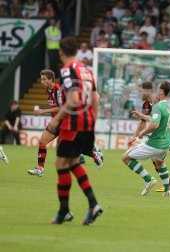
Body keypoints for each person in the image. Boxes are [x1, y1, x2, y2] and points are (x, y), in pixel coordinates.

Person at [47, 37, 103, 225]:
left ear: (61, 52)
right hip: (87, 123)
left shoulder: (67, 70)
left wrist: (56, 120)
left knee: (61, 164)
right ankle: (87, 206)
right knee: (70, 162)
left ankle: (66, 210)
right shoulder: (87, 70)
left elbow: (72, 100)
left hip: (72, 123)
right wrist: (92, 121)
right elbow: (96, 98)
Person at [27, 69, 103, 177]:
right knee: (42, 142)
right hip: (56, 122)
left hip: (65, 122)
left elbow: (62, 107)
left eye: (44, 79)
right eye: (41, 79)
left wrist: (42, 111)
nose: (42, 82)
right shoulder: (49, 90)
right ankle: (40, 169)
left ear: (51, 79)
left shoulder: (58, 89)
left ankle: (93, 154)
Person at [121, 81, 170, 197]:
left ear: (161, 91)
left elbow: (154, 125)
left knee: (125, 158)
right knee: (160, 163)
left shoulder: (158, 106)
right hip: (166, 144)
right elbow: (158, 120)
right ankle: (167, 190)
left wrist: (142, 133)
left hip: (155, 144)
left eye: (158, 89)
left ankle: (148, 179)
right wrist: (142, 116)